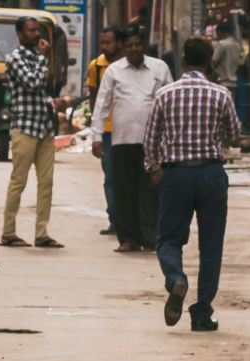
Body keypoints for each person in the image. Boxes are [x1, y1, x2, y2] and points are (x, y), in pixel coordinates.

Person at [146, 36, 239, 331]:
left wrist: (153, 168)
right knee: (211, 247)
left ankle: (176, 279)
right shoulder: (221, 94)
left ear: (183, 61)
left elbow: (151, 138)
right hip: (211, 174)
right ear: (210, 61)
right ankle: (201, 314)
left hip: (176, 174)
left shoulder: (165, 94)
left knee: (169, 239)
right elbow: (234, 135)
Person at [91, 27, 170, 253]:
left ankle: (151, 238)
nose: (134, 49)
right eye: (129, 46)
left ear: (144, 45)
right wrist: (96, 136)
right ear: (123, 48)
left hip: (152, 142)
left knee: (151, 191)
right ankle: (129, 239)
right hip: (122, 140)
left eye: (138, 44)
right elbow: (102, 104)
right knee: (124, 191)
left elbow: (169, 101)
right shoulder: (114, 71)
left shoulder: (159, 68)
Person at [0, 17, 65, 249]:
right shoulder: (15, 58)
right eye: (31, 30)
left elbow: (41, 92)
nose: (37, 34)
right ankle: (8, 232)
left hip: (44, 127)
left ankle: (42, 233)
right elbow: (32, 82)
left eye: (38, 30)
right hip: (24, 128)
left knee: (46, 182)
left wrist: (53, 102)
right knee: (19, 181)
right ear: (20, 34)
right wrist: (44, 59)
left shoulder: (39, 59)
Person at [82, 26, 120, 235]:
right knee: (111, 176)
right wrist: (95, 131)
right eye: (102, 43)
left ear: (119, 43)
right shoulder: (96, 66)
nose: (105, 47)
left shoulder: (127, 66)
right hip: (107, 130)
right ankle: (114, 218)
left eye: (109, 43)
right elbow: (94, 99)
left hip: (129, 131)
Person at [211, 22, 244, 91]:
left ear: (221, 32)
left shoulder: (222, 44)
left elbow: (213, 62)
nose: (217, 36)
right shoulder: (237, 45)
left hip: (221, 83)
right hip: (233, 84)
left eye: (217, 33)